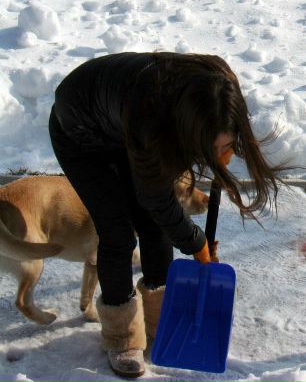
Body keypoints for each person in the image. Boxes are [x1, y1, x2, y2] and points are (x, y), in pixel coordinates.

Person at [49, 52, 283, 378]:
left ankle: (158, 319)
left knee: (153, 225)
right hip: (80, 129)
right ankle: (122, 338)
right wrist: (197, 243)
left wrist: (223, 148)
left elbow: (159, 209)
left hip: (121, 114)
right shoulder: (153, 118)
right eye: (208, 147)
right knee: (117, 230)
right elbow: (156, 198)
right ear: (189, 127)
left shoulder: (219, 87)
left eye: (224, 145)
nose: (215, 156)